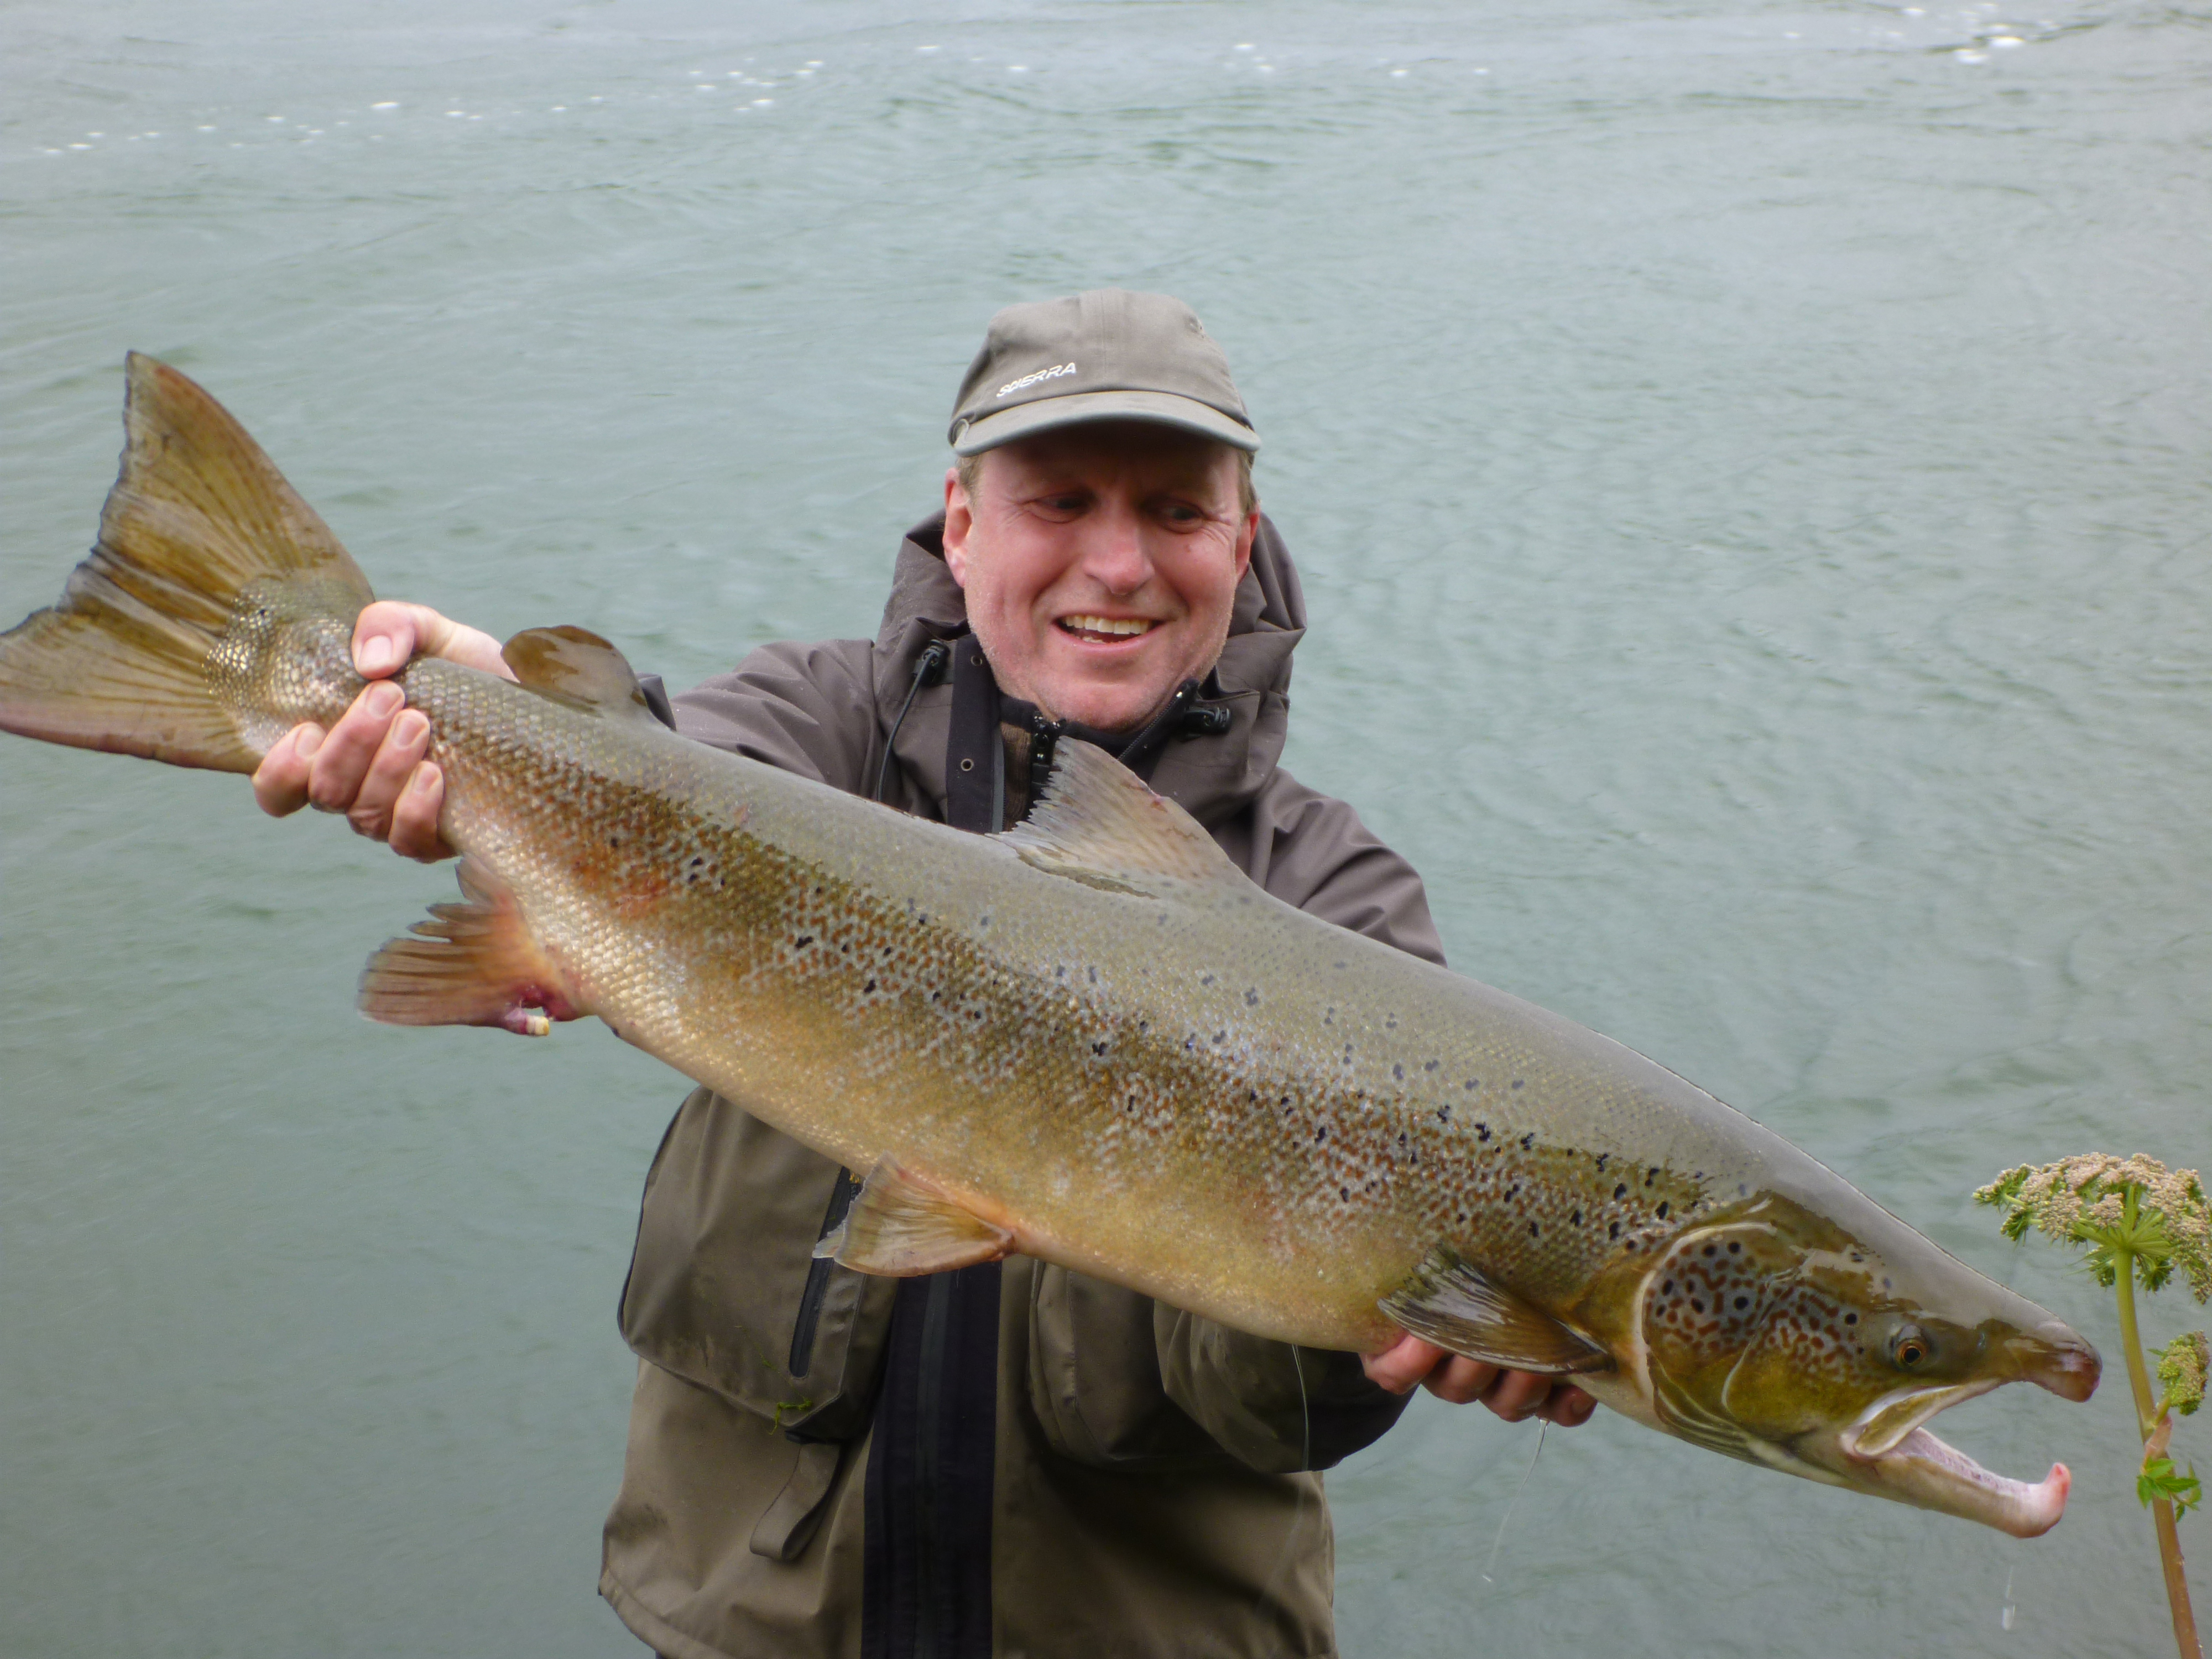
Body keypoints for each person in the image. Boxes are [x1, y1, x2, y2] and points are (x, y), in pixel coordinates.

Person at [253, 289, 1596, 1658]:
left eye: (1178, 515)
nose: (1118, 564)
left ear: (1240, 545)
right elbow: (673, 777)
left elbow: (1265, 1419)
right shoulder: (815, 727)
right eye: (1060, 502)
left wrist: (1370, 1333)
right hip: (754, 1626)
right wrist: (469, 711)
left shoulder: (1335, 908)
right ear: (960, 525)